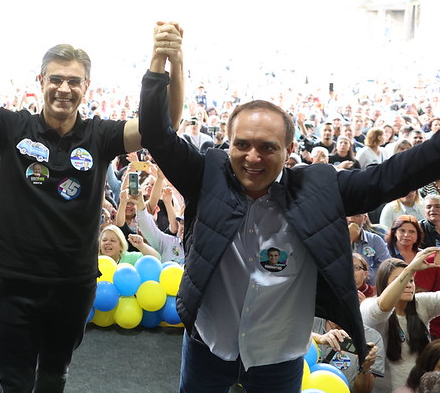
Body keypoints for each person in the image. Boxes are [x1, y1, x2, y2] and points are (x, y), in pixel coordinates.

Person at [138, 26, 440, 392]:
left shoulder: (320, 189)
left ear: (289, 149)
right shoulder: (206, 175)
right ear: (227, 143)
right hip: (207, 347)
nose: (252, 157)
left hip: (278, 359)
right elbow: (156, 134)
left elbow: (391, 176)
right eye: (242, 145)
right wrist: (159, 65)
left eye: (267, 147)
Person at [0, 0, 184, 392]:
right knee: (13, 381)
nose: (63, 88)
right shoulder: (14, 127)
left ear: (87, 87)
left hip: (73, 285)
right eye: (56, 79)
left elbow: (162, 126)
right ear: (41, 80)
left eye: (74, 81)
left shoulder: (101, 136)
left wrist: (170, 59)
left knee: (53, 378)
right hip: (16, 282)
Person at [361, 254, 440, 393]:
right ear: (384, 283)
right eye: (401, 280)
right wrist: (410, 268)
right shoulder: (369, 306)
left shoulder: (420, 304)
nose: (408, 284)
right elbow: (383, 307)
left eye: (411, 280)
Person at [348, 213, 390, 285]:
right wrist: (349, 239)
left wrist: (362, 275)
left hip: (370, 289)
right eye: (347, 215)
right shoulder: (332, 239)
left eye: (357, 215)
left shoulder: (375, 240)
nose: (351, 219)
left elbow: (386, 268)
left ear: (365, 219)